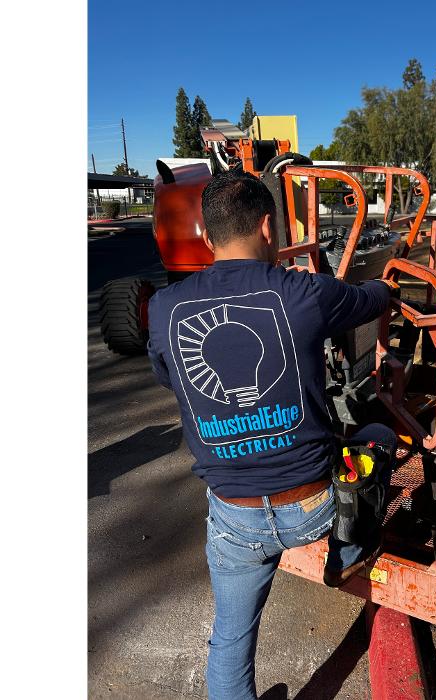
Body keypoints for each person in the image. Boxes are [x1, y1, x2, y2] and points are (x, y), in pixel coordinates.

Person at [147, 170, 397, 700]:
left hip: (234, 518)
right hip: (313, 508)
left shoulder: (166, 308)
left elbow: (171, 376)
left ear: (207, 236)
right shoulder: (304, 292)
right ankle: (348, 550)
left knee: (230, 639)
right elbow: (370, 299)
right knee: (378, 433)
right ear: (267, 227)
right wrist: (388, 286)